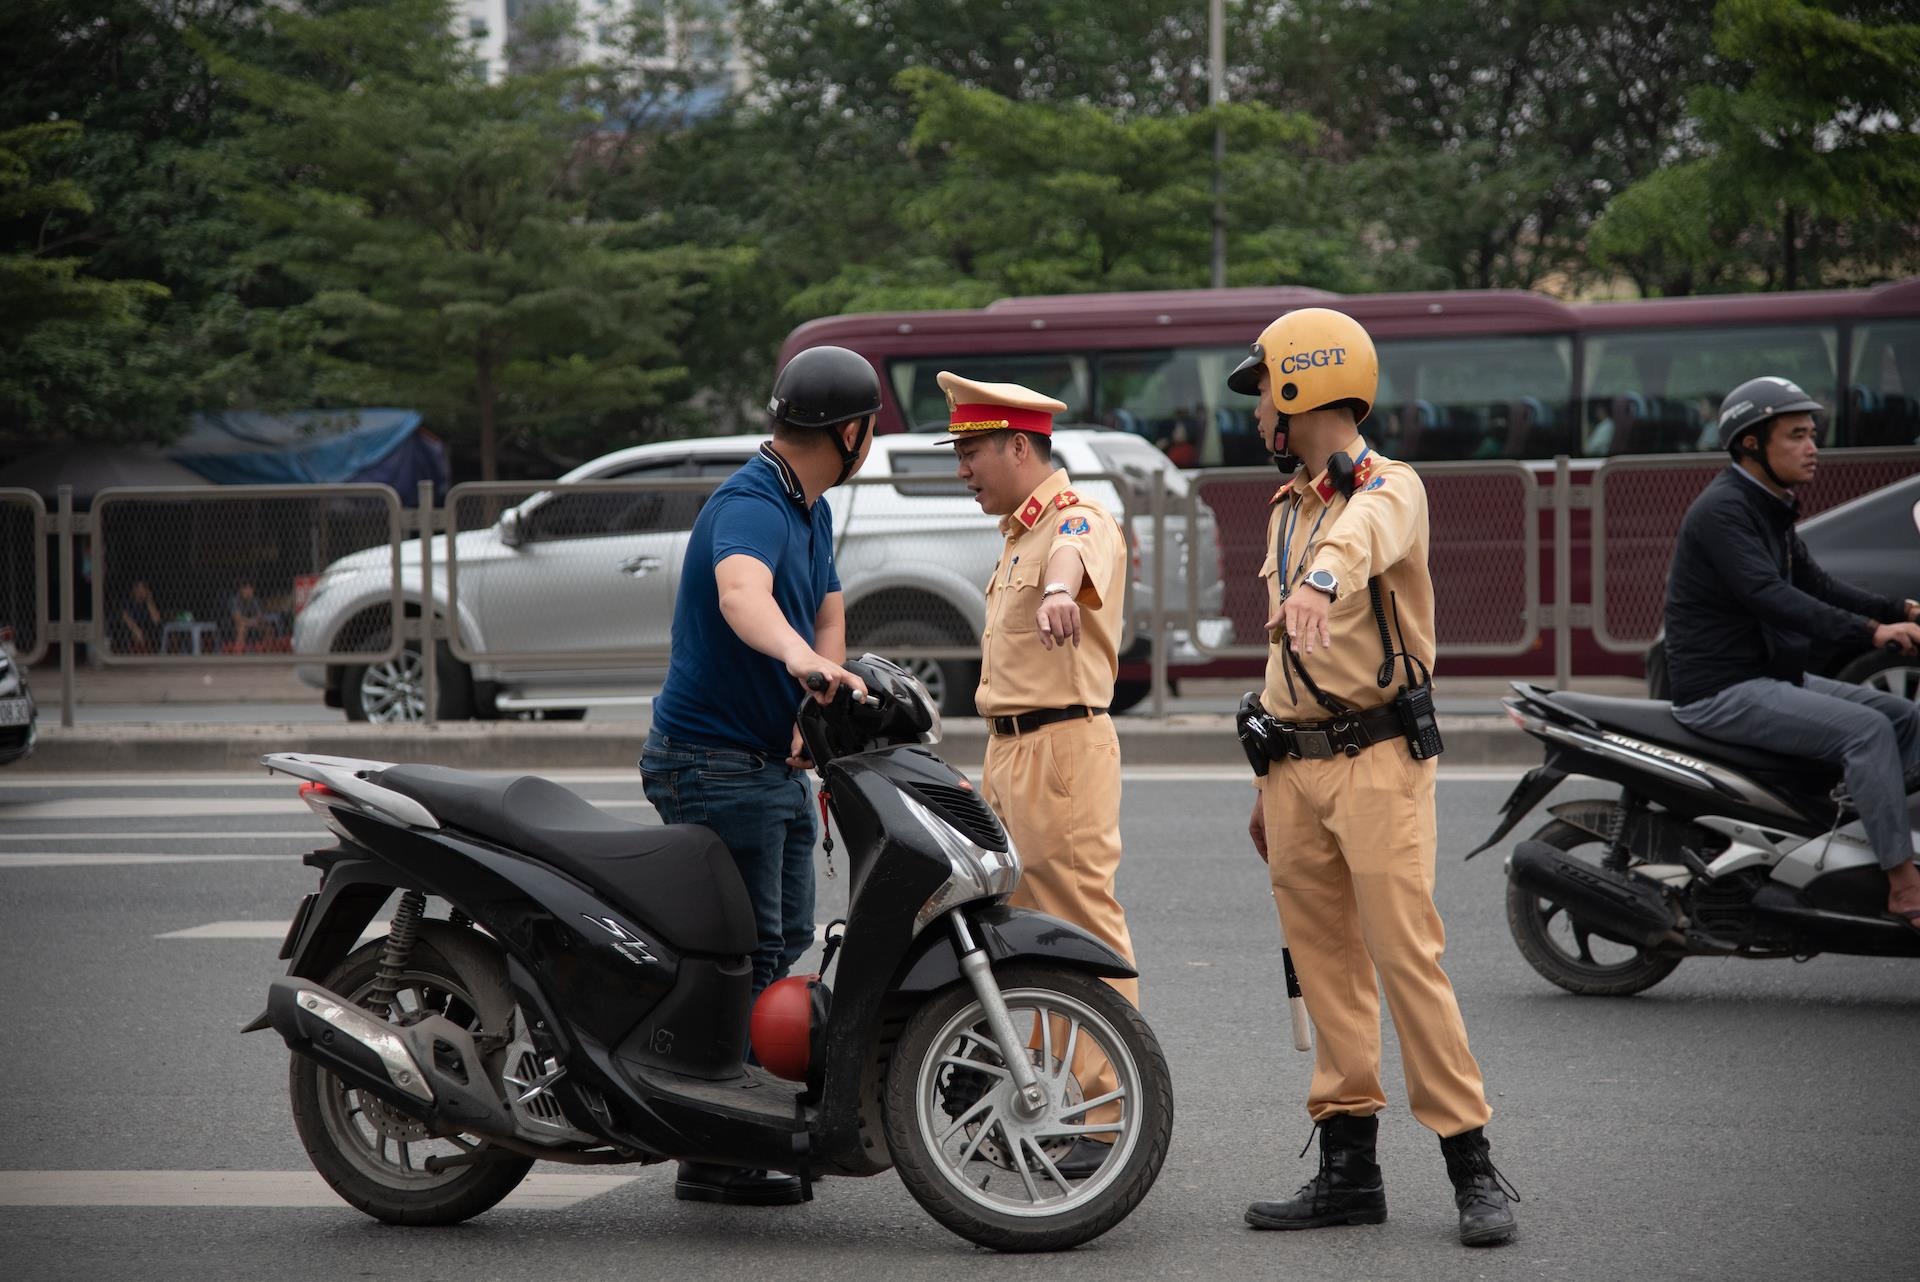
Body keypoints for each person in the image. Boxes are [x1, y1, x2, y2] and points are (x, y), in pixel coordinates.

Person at [1228, 308, 1517, 1247]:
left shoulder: (1389, 490)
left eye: (1265, 388)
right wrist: (1263, 780)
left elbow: (1363, 543)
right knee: (1323, 970)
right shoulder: (1286, 509)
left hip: (1379, 759)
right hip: (1296, 767)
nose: (1258, 410)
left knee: (1405, 959)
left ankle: (1472, 1166)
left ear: (1305, 385)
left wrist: (1319, 581)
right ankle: (1349, 1169)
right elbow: (1289, 658)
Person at [640, 344, 876, 1208]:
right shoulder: (752, 500)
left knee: (781, 945)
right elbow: (744, 595)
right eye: (871, 428)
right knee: (737, 955)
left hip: (766, 761)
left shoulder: (806, 506)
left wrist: (816, 692)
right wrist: (800, 661)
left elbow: (828, 604)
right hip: (707, 762)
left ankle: (738, 1119)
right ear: (849, 431)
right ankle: (712, 1147)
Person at [943, 370, 1138, 1181]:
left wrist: (1060, 591)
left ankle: (1111, 1108)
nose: (963, 468)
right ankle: (1054, 1098)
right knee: (1020, 930)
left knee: (1079, 925)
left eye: (972, 450)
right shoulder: (1016, 535)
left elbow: (1074, 558)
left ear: (1018, 446)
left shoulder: (1075, 518)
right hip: (1011, 752)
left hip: (1060, 750)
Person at [1664, 375, 1920, 926]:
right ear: (1752, 444)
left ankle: (1857, 839)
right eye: (1797, 435)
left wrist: (1900, 609)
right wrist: (1871, 633)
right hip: (1722, 689)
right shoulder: (1725, 511)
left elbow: (1816, 583)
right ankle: (1902, 884)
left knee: (1903, 717)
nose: (1813, 448)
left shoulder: (1769, 502)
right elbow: (1769, 595)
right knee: (1867, 730)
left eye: (1812, 434)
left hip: (1769, 677)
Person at [115, 580, 163, 653]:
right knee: (134, 633)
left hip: (147, 629)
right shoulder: (128, 601)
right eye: (138, 589)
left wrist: (149, 601)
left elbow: (156, 620)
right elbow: (125, 616)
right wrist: (136, 629)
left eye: (144, 589)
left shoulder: (148, 603)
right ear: (134, 590)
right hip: (131, 629)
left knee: (155, 630)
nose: (141, 592)